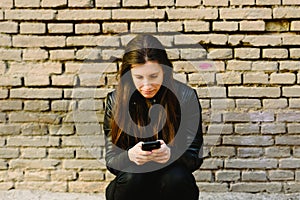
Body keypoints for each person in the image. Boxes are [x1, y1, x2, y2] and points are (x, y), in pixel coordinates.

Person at [103, 34, 203, 200]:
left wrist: (171, 155)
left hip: (172, 182)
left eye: (154, 76)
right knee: (133, 176)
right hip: (132, 184)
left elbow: (194, 157)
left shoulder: (186, 97)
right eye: (139, 77)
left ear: (164, 70)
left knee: (176, 178)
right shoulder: (115, 100)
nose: (147, 86)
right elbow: (111, 160)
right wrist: (129, 156)